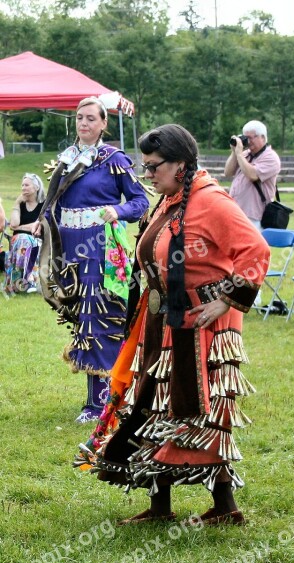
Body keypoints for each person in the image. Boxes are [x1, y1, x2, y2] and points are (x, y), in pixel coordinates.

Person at [75, 124, 270, 526]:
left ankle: (224, 506)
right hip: (164, 321)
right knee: (155, 407)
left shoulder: (211, 201)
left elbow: (255, 249)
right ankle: (162, 506)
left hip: (202, 329)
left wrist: (227, 300)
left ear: (180, 164)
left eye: (153, 166)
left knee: (201, 415)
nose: (147, 175)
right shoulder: (172, 198)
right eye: (144, 167)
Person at [33, 96, 149, 423]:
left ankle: (99, 405)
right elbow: (53, 202)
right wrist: (40, 225)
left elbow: (140, 201)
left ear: (103, 124)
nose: (83, 124)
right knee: (83, 322)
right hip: (69, 251)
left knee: (98, 321)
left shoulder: (113, 159)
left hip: (99, 249)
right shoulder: (68, 159)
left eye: (90, 119)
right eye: (79, 118)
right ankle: (114, 393)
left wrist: (118, 210)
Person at [224, 120, 281, 230]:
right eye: (245, 138)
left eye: (251, 137)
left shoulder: (271, 158)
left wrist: (239, 154)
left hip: (254, 215)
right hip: (235, 211)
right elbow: (228, 172)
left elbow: (252, 175)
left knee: (249, 247)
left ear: (263, 137)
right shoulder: (245, 154)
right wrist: (234, 152)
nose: (248, 141)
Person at [4, 173, 45, 294]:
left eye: (26, 185)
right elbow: (13, 224)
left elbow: (39, 226)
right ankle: (29, 280)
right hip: (17, 241)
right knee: (24, 239)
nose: (23, 188)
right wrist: (16, 203)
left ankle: (23, 281)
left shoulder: (44, 204)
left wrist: (22, 227)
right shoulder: (20, 205)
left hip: (37, 239)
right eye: (22, 185)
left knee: (27, 239)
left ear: (36, 187)